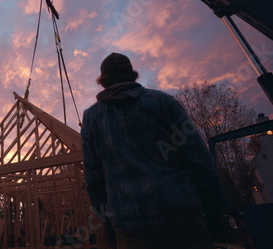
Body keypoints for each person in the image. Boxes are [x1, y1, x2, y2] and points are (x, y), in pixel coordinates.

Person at [81, 52, 230, 249]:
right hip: (183, 223)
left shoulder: (92, 118)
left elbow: (94, 181)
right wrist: (215, 215)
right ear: (131, 74)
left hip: (131, 231)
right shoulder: (163, 102)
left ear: (103, 80)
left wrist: (108, 226)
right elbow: (200, 161)